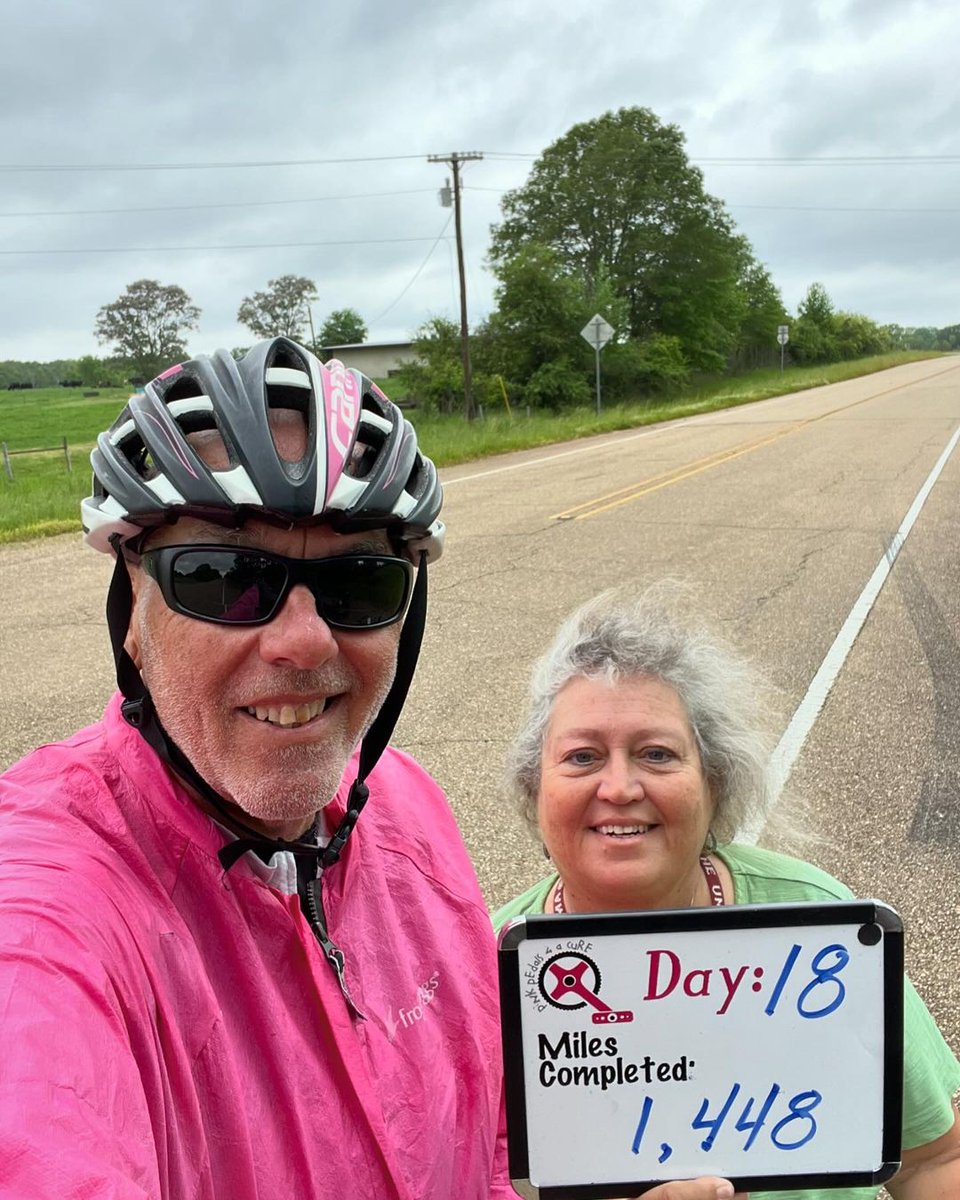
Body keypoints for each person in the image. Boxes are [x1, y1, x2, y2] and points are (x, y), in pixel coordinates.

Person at [0, 339, 739, 1200]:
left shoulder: (404, 808)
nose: (305, 640)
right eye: (226, 577)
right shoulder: (46, 923)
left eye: (358, 583)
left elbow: (488, 1151)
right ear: (132, 609)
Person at [493, 587, 960, 1200]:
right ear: (536, 789)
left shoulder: (817, 921)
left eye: (656, 754)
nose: (619, 785)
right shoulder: (479, 969)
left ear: (714, 783)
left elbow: (934, 1158)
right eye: (581, 757)